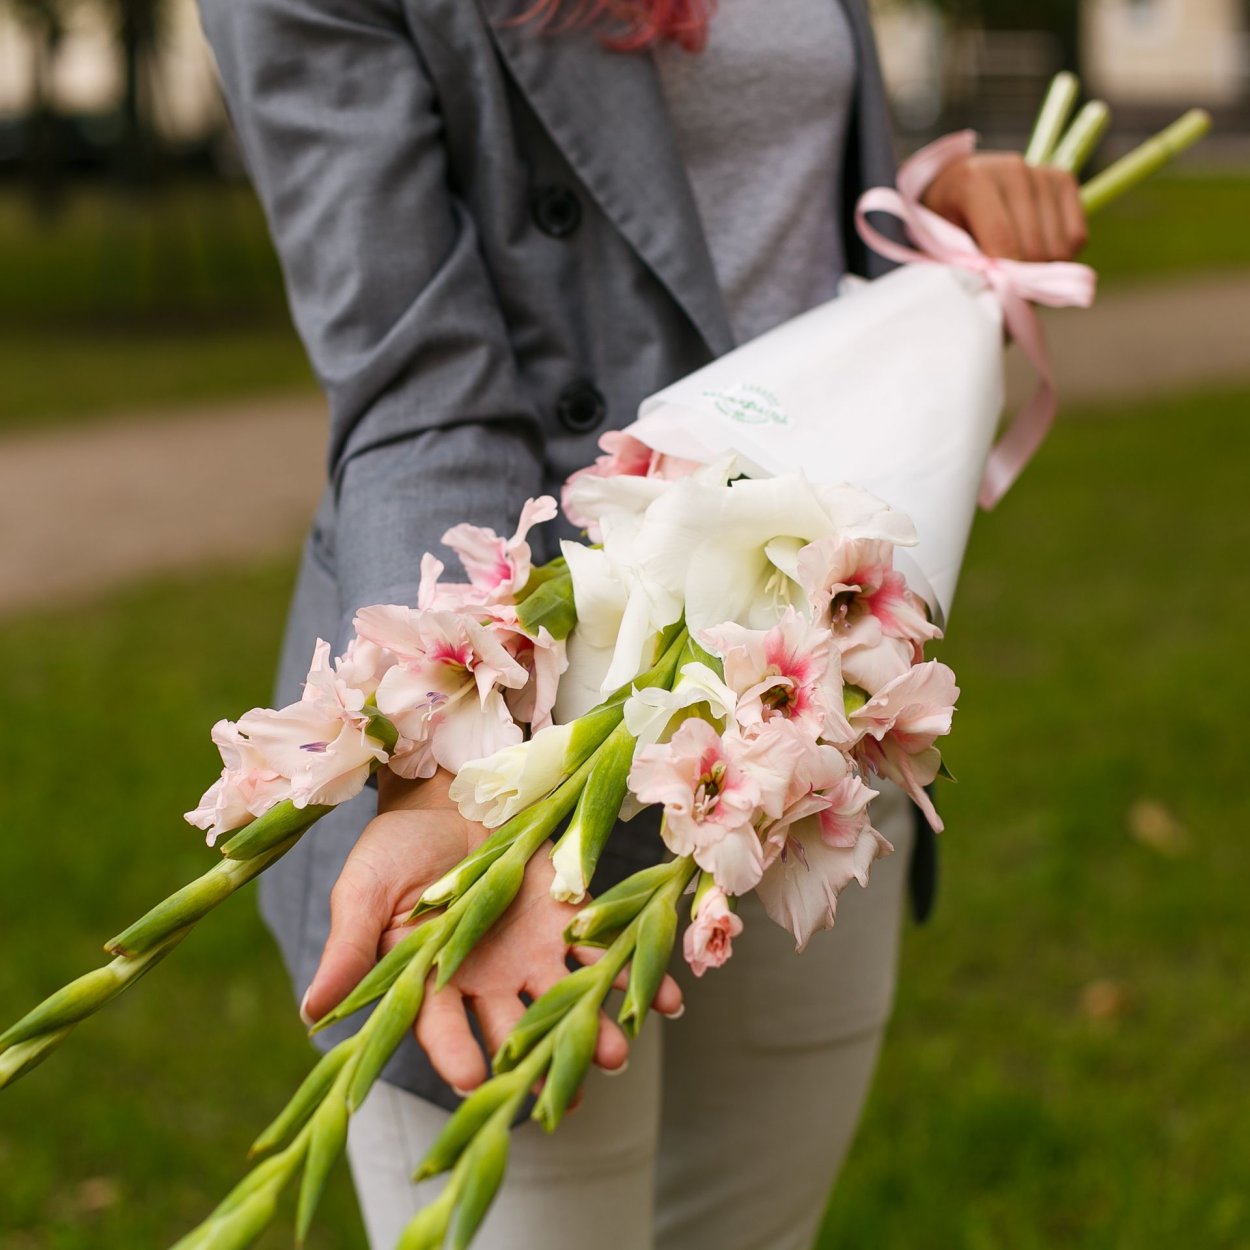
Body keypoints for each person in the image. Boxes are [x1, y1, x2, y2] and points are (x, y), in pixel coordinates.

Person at [197, 1, 1087, 1246]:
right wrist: (455, 770)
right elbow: (418, 386)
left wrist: (933, 209)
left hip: (801, 713)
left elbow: (764, 223)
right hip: (532, 711)